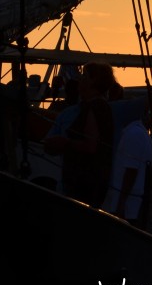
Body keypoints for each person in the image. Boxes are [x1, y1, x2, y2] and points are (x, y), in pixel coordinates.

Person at [44, 62, 115, 207]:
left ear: (93, 81)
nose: (79, 79)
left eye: (84, 75)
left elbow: (91, 145)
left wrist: (65, 142)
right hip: (91, 185)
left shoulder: (93, 108)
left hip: (82, 187)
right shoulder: (102, 108)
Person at [104, 113, 152, 226]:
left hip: (127, 209)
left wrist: (120, 204)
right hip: (133, 207)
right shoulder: (140, 134)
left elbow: (131, 171)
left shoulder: (133, 135)